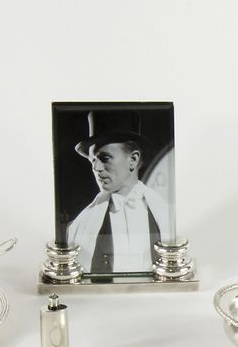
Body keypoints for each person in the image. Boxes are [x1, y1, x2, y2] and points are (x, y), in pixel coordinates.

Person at [67, 110, 171, 273]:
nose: (96, 168)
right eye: (93, 160)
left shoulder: (165, 214)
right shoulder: (80, 226)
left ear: (133, 160)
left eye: (105, 158)